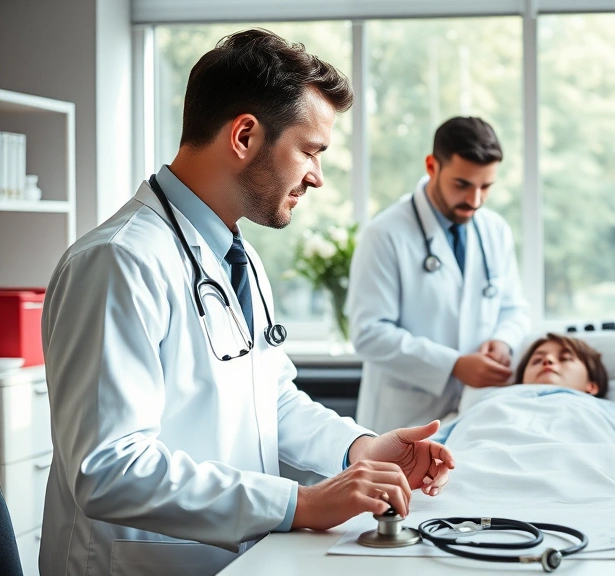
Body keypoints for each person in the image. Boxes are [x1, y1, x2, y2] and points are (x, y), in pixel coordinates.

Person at [39, 29, 454, 576]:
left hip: (231, 560)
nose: (318, 177)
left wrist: (360, 448)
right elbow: (109, 468)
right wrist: (298, 505)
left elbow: (271, 401)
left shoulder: (239, 260)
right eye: (310, 151)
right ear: (244, 136)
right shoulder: (119, 262)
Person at [349, 117, 530, 431]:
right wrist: (454, 365)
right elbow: (369, 333)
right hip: (404, 418)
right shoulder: (384, 233)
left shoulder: (495, 230)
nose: (475, 201)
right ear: (432, 166)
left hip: (475, 412)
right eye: (462, 185)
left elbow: (514, 309)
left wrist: (503, 341)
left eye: (486, 187)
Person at [433, 333, 615, 497]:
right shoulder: (491, 399)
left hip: (572, 483)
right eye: (537, 359)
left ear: (591, 386)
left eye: (565, 358)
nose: (547, 360)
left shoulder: (607, 410)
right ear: (521, 381)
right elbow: (434, 443)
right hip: (476, 478)